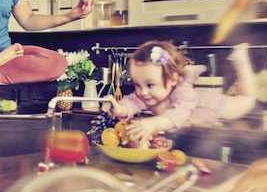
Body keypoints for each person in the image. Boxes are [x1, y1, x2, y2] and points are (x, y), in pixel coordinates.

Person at [101, 40, 256, 146]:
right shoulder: (148, 94)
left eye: (150, 84)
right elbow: (132, 102)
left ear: (172, 79)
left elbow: (177, 114)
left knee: (247, 100)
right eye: (137, 84)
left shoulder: (184, 94)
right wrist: (118, 108)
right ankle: (189, 74)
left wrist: (153, 123)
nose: (143, 92)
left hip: (212, 105)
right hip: (188, 111)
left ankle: (240, 59)